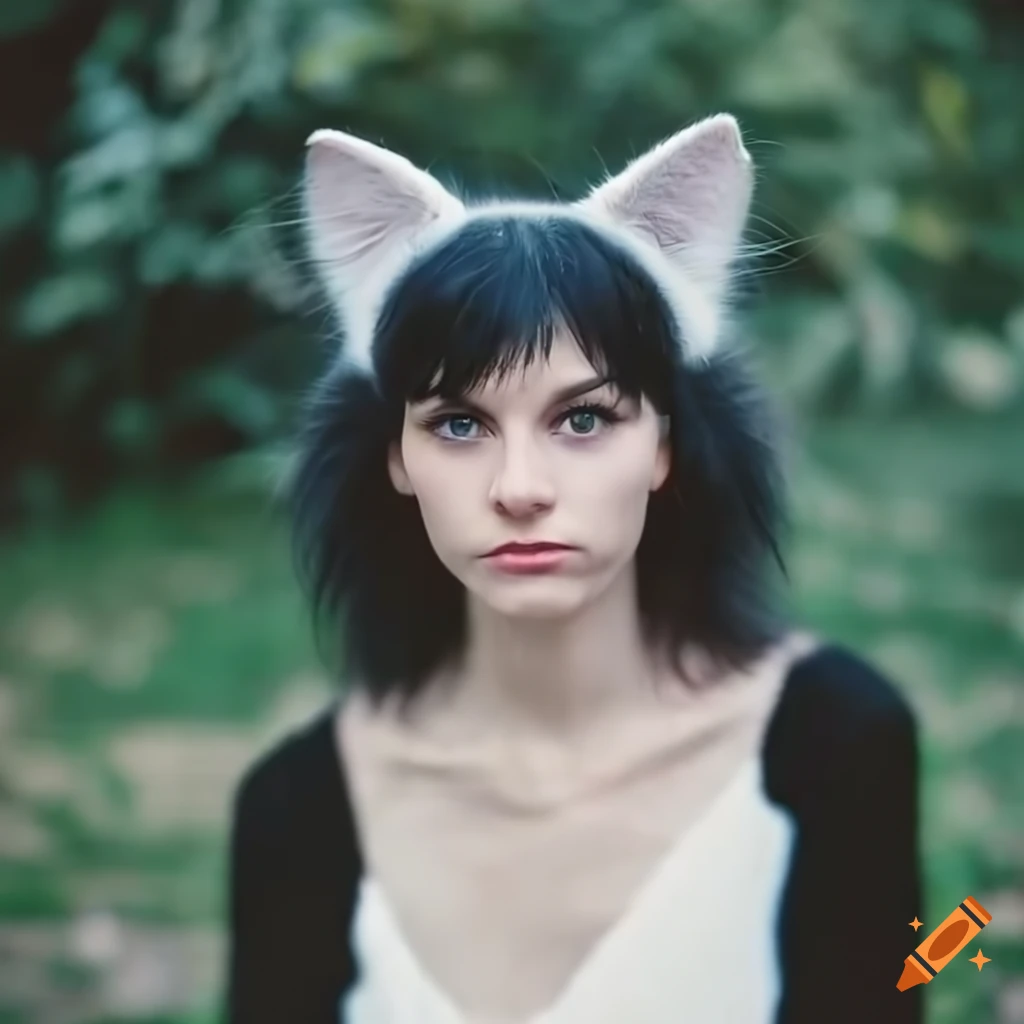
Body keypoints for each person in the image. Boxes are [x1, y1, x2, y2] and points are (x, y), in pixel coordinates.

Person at [224, 115, 924, 1024]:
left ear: (666, 444)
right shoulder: (298, 811)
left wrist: (964, 935)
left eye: (584, 419)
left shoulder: (838, 742)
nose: (521, 489)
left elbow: (914, 970)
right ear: (396, 455)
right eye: (460, 424)